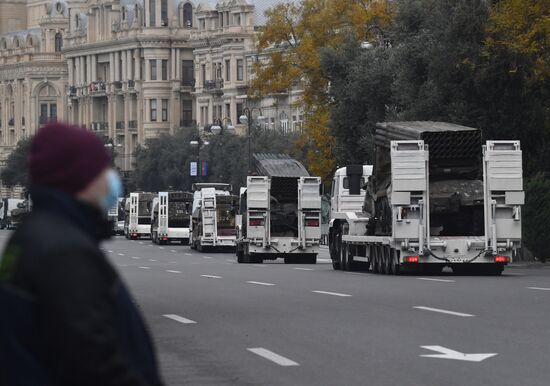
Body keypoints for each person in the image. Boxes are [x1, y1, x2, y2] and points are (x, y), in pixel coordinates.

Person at [0, 122, 164, 386]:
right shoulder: (63, 252)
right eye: (103, 170)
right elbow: (93, 361)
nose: (111, 179)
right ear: (81, 179)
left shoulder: (33, 235)